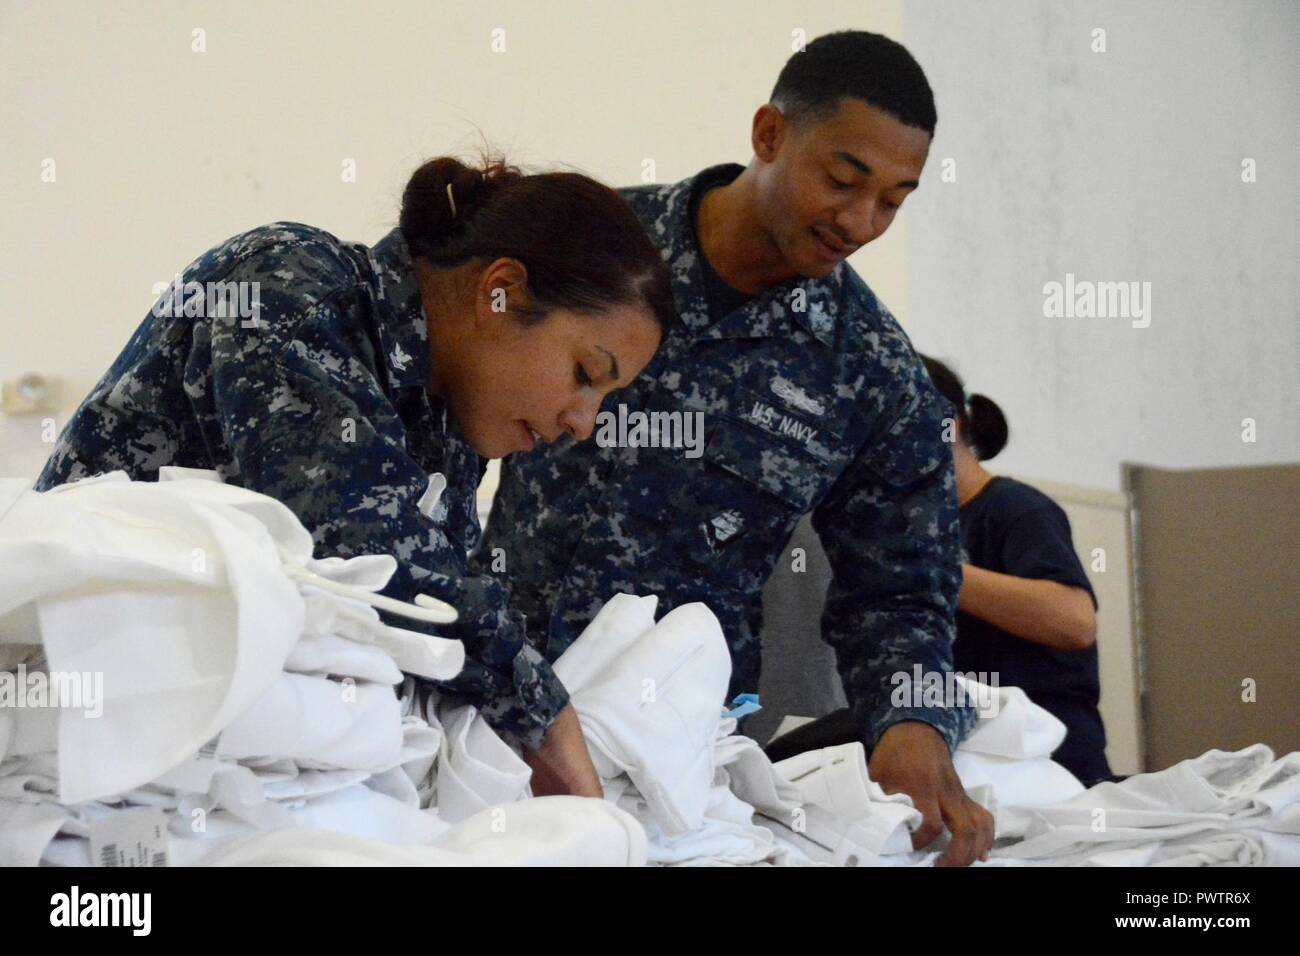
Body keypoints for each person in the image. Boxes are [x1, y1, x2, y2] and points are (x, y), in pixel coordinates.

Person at [478, 31, 995, 864]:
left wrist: (911, 721)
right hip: (495, 700)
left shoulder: (873, 376)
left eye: (895, 201)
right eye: (843, 180)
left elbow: (902, 594)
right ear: (769, 135)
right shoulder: (596, 253)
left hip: (674, 759)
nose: (861, 224)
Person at [34, 155, 677, 798]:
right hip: (84, 707)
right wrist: (544, 714)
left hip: (213, 759)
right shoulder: (286, 281)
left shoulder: (443, 418)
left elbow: (419, 636)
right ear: (499, 292)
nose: (584, 422)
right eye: (586, 374)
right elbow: (365, 548)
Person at [919, 356, 1113, 786]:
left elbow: (1074, 621)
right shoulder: (916, 525)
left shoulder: (1016, 509)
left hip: (1051, 764)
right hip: (976, 758)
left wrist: (937, 571)